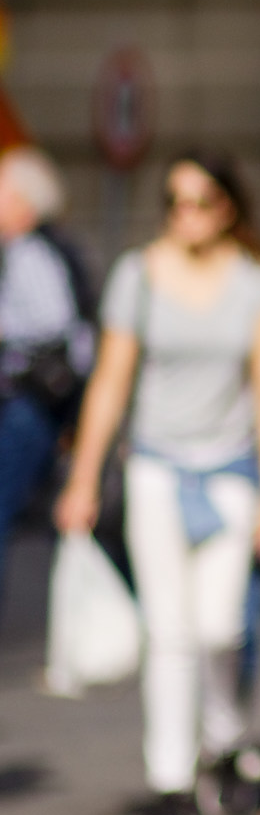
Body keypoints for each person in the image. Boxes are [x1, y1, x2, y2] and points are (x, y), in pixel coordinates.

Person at [54, 155, 260, 815]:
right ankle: (169, 777)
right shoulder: (140, 274)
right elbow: (110, 381)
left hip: (230, 471)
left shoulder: (259, 281)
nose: (188, 215)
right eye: (176, 201)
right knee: (170, 629)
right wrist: (82, 479)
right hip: (155, 467)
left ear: (229, 208)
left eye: (203, 202)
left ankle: (223, 739)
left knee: (223, 623)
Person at [0, 147, 92, 593]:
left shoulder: (30, 252)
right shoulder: (55, 245)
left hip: (29, 403)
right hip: (44, 401)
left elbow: (53, 323)